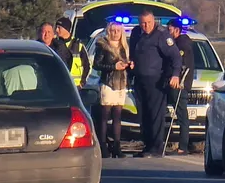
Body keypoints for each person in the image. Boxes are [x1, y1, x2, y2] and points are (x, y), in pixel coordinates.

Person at [128, 11, 181, 158]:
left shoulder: (161, 35)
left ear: (154, 21)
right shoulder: (136, 33)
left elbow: (175, 56)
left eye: (149, 23)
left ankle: (156, 147)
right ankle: (147, 145)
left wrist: (175, 75)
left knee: (155, 115)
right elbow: (133, 53)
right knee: (143, 114)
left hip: (156, 81)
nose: (146, 26)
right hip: (139, 80)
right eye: (143, 23)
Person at [92, 22, 132, 158]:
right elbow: (96, 65)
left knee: (117, 116)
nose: (115, 33)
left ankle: (116, 145)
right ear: (109, 31)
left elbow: (126, 62)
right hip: (108, 83)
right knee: (105, 116)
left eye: (118, 31)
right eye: (113, 30)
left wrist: (129, 64)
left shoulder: (124, 47)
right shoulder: (103, 45)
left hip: (121, 83)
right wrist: (113, 66)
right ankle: (103, 145)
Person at [167, 18, 196, 156]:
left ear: (177, 30)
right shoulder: (175, 44)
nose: (168, 32)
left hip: (180, 85)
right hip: (174, 83)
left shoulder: (182, 45)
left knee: (182, 116)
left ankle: (183, 146)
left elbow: (182, 65)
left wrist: (177, 78)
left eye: (170, 29)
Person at [55, 17, 91, 87]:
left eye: (59, 28)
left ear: (66, 29)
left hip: (75, 87)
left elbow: (87, 66)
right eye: (56, 27)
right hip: (59, 85)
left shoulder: (79, 46)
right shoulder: (54, 44)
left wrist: (82, 83)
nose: (56, 30)